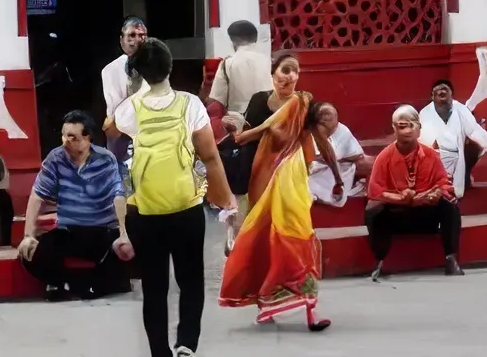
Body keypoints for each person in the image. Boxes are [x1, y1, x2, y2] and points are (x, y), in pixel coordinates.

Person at [123, 38, 240, 353]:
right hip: (185, 207)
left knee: (154, 288)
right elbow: (210, 158)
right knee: (190, 281)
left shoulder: (129, 109)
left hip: (145, 213)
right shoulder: (190, 104)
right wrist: (227, 199)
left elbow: (123, 155)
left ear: (140, 73)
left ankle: (159, 352)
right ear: (170, 67)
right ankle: (186, 344)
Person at [223, 49, 333, 331]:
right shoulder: (260, 100)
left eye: (295, 70)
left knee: (297, 235)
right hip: (262, 176)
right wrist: (234, 129)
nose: (291, 76)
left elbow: (319, 139)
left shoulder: (304, 102)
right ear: (273, 74)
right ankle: (266, 304)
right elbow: (248, 133)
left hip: (292, 177)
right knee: (262, 239)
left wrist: (336, 174)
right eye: (286, 70)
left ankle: (310, 310)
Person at [20, 112, 132, 301]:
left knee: (131, 247)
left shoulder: (106, 159)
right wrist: (28, 235)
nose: (66, 142)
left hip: (103, 230)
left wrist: (123, 233)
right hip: (69, 232)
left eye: (73, 137)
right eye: (64, 135)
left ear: (87, 138)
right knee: (29, 253)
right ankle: (63, 283)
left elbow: (118, 196)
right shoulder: (55, 158)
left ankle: (95, 283)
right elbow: (37, 196)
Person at [363, 105, 463, 279]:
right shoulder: (384, 157)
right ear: (394, 129)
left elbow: (444, 184)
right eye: (402, 126)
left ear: (419, 129)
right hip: (397, 214)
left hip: (425, 213)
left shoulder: (431, 155)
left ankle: (450, 259)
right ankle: (379, 262)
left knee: (450, 208)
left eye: (412, 126)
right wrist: (401, 198)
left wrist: (436, 194)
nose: (407, 131)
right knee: (373, 212)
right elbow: (375, 192)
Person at [208, 19, 273, 204]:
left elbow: (215, 101)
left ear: (233, 40)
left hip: (242, 131)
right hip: (271, 127)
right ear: (255, 38)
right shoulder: (270, 61)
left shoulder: (228, 64)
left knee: (242, 187)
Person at [416, 78, 487, 193]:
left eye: (445, 89)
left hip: (459, 154)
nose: (441, 92)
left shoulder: (460, 109)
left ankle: (465, 175)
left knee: (476, 145)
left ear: (451, 94)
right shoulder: (425, 113)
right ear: (432, 96)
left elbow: (474, 130)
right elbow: (424, 139)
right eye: (437, 90)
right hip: (436, 155)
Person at [102, 17, 151, 160]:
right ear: (121, 39)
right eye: (131, 35)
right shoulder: (110, 70)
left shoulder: (157, 66)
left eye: (141, 35)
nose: (136, 40)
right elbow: (115, 110)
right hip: (120, 131)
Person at [306, 102, 366, 207]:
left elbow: (332, 156)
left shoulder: (343, 131)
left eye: (328, 114)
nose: (325, 119)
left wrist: (339, 181)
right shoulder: (313, 131)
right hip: (319, 167)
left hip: (342, 168)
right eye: (323, 115)